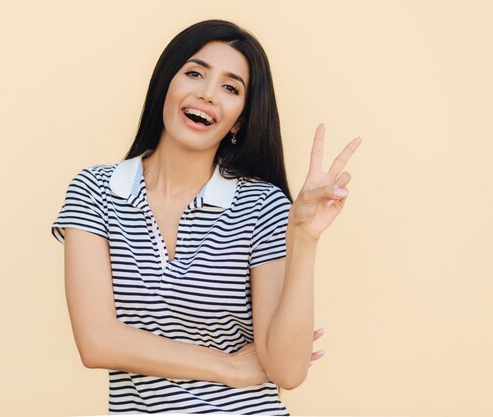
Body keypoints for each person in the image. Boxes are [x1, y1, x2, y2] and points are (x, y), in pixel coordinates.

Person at [51, 19, 361, 415]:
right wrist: (228, 366)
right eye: (195, 73)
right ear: (166, 83)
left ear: (241, 119)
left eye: (231, 88)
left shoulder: (263, 205)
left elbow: (287, 371)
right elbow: (97, 342)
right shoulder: (95, 191)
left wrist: (302, 238)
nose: (208, 94)